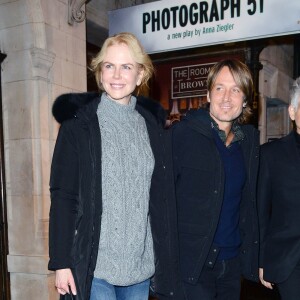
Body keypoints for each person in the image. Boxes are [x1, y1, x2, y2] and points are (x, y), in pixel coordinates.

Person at [48, 32, 181, 300]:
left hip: (139, 268)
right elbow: (63, 197)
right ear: (99, 73)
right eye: (109, 66)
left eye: (126, 67)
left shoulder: (152, 127)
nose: (117, 75)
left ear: (140, 75)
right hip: (95, 267)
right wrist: (61, 262)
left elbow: (159, 198)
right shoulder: (78, 127)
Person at [172, 59, 260, 300]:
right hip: (193, 265)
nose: (226, 97)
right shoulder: (182, 135)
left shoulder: (248, 143)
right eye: (219, 88)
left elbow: (250, 202)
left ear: (245, 100)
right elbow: (161, 200)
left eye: (235, 90)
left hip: (231, 265)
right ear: (208, 94)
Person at [258, 77, 300, 299]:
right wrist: (262, 260)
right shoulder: (270, 155)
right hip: (288, 262)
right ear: (292, 112)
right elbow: (261, 213)